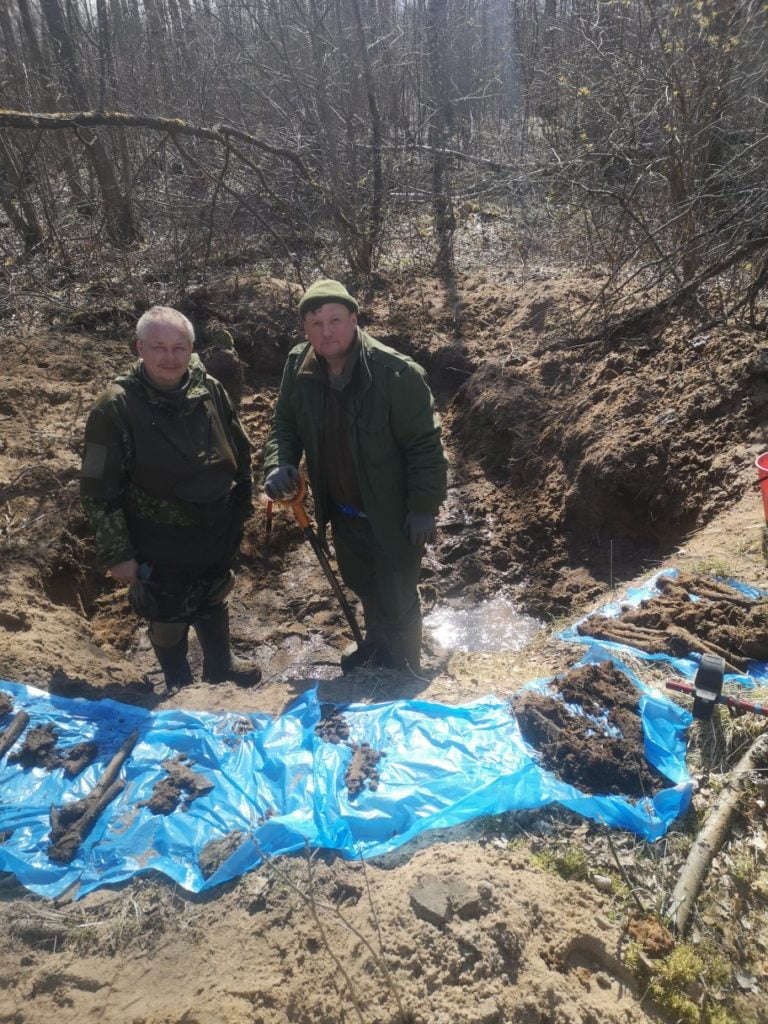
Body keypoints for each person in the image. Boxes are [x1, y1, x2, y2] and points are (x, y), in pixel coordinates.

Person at [263, 279, 447, 673]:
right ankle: (378, 650)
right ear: (305, 329)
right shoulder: (298, 364)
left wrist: (423, 506)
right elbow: (285, 424)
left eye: (335, 320)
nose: (326, 332)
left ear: (354, 320)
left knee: (397, 595)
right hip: (343, 509)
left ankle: (404, 671)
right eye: (316, 324)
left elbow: (425, 445)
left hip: (394, 512)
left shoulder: (396, 374)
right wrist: (280, 462)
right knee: (363, 582)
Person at [80, 305, 261, 690]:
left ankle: (221, 667)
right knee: (167, 612)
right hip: (157, 538)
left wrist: (242, 506)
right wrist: (117, 553)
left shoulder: (207, 387)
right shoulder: (114, 407)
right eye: (158, 347)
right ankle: (177, 681)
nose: (170, 357)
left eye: (179, 347)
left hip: (215, 528)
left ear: (191, 348)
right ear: (139, 348)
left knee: (215, 595)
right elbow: (98, 487)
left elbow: (239, 447)